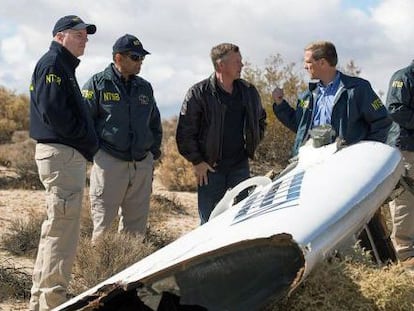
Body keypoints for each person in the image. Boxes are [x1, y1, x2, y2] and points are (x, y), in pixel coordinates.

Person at [29, 15, 98, 310]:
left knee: (55, 229)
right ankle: (52, 303)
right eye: (78, 34)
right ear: (60, 37)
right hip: (62, 154)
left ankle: (40, 301)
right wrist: (85, 140)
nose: (85, 39)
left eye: (86, 35)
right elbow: (54, 112)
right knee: (63, 234)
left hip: (63, 154)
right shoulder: (53, 64)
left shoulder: (62, 65)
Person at [82, 34, 162, 241]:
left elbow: (154, 122)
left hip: (141, 163)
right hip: (109, 162)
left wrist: (152, 155)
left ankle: (132, 270)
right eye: (135, 57)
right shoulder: (97, 84)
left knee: (136, 229)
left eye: (142, 58)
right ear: (118, 58)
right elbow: (84, 122)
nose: (140, 63)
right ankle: (101, 271)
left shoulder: (145, 87)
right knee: (104, 225)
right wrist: (97, 154)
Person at [176, 43, 266, 224]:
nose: (242, 65)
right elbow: (185, 132)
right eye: (237, 62)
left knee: (244, 217)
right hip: (210, 169)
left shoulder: (248, 91)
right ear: (220, 65)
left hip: (239, 166)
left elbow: (260, 120)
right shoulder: (198, 93)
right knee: (209, 221)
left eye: (241, 61)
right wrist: (198, 161)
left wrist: (252, 144)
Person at [272, 40, 391, 156]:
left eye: (308, 62)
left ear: (322, 63)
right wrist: (280, 104)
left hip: (345, 163)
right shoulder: (307, 96)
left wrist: (364, 152)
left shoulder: (358, 89)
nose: (305, 66)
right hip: (309, 161)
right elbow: (299, 126)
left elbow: (382, 121)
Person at [385, 61, 414, 276]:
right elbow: (395, 109)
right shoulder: (403, 76)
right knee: (405, 198)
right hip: (406, 148)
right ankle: (404, 254)